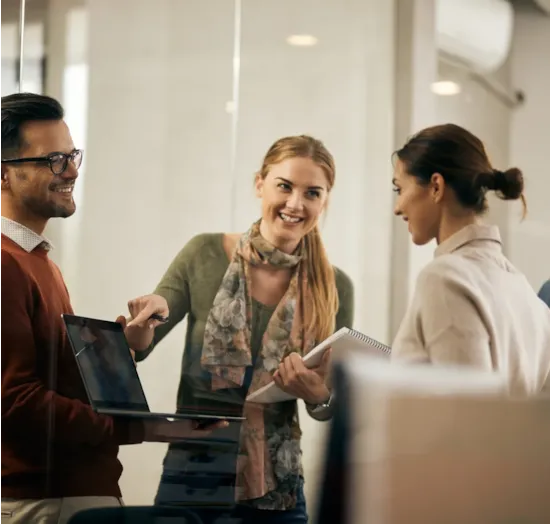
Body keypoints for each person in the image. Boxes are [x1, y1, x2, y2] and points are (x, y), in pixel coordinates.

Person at [0, 93, 225, 524]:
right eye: (53, 159)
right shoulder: (6, 263)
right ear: (5, 175)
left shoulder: (37, 260)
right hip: (44, 501)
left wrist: (123, 348)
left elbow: (54, 375)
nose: (71, 171)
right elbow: (15, 403)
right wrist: (146, 428)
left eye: (71, 155)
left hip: (70, 494)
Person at [122, 135, 355, 523]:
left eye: (312, 193)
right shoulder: (204, 253)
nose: (296, 204)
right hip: (193, 474)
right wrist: (140, 326)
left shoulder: (335, 286)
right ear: (259, 183)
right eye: (284, 186)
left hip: (277, 488)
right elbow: (140, 345)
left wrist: (317, 394)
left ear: (325, 200)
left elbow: (331, 406)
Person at [390, 123, 550, 394]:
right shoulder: (524, 291)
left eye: (399, 189)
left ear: (436, 187)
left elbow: (463, 421)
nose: (397, 207)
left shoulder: (445, 279)